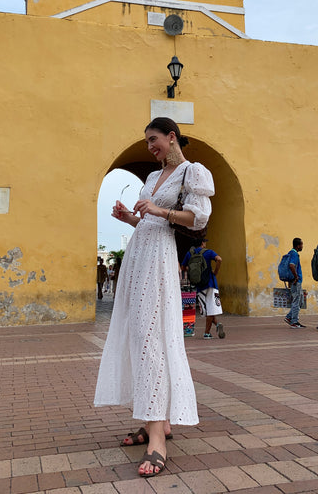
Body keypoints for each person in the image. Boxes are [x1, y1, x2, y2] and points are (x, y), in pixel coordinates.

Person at [93, 117, 214, 478]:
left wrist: (159, 210)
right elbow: (150, 222)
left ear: (171, 136)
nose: (150, 147)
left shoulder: (192, 172)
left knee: (154, 340)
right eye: (147, 142)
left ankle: (158, 437)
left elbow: (197, 218)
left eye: (154, 140)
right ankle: (153, 420)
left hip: (159, 260)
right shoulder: (150, 178)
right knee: (138, 337)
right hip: (137, 257)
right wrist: (130, 217)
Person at [182, 239, 225, 339]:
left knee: (206, 310)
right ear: (202, 243)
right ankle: (206, 333)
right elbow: (219, 259)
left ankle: (217, 324)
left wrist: (193, 272)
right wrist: (215, 272)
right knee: (211, 309)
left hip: (198, 285)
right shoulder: (209, 252)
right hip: (210, 283)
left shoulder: (189, 254)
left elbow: (184, 267)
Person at [283, 238, 305, 328]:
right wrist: (296, 277)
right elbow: (291, 265)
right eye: (301, 245)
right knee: (297, 300)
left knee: (300, 300)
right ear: (298, 245)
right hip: (296, 281)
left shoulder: (290, 253)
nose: (302, 246)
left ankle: (289, 317)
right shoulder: (295, 254)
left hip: (294, 281)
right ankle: (294, 322)